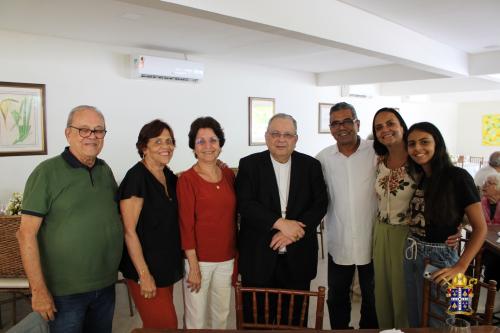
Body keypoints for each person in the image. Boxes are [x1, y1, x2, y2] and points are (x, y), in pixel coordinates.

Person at [17, 105, 123, 333]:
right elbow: (25, 234)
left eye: (98, 130)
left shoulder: (105, 170)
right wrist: (38, 290)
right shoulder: (46, 173)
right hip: (64, 292)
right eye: (84, 130)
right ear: (68, 133)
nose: (92, 136)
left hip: (105, 284)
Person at [236, 113, 328, 326]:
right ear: (266, 137)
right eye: (275, 134)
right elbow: (246, 203)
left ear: (296, 139)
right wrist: (280, 223)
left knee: (295, 321)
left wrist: (292, 233)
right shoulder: (249, 165)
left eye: (287, 134)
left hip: (299, 255)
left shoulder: (311, 165)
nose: (281, 139)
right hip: (258, 256)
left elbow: (320, 204)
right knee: (256, 320)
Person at [404, 122, 487, 328]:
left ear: (437, 144)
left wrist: (461, 266)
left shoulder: (458, 176)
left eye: (424, 142)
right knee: (417, 319)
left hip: (443, 259)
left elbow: (481, 228)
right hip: (413, 254)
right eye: (412, 143)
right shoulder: (422, 177)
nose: (417, 148)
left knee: (444, 321)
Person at [316, 102, 378, 329]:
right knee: (337, 298)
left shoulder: (375, 152)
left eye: (346, 121)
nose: (341, 127)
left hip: (371, 239)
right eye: (335, 123)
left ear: (357, 124)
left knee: (372, 299)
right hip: (339, 240)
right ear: (330, 128)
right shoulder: (323, 158)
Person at [118, 120, 183, 329]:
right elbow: (129, 232)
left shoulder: (167, 175)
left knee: (156, 325)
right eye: (158, 141)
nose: (166, 146)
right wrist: (144, 275)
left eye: (169, 141)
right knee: (166, 326)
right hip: (145, 269)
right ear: (144, 147)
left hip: (165, 266)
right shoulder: (136, 178)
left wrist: (213, 163)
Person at [177, 117, 237, 329]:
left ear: (220, 144)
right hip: (199, 261)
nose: (207, 146)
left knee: (222, 314)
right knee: (196, 320)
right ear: (193, 147)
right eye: (201, 141)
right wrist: (193, 266)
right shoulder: (187, 179)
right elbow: (186, 225)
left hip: (227, 257)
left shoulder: (229, 174)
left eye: (212, 140)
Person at [371, 107, 413, 329]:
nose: (385, 130)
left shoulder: (418, 159)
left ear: (402, 126)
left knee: (404, 294)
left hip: (408, 236)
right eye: (379, 127)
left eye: (390, 123)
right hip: (381, 232)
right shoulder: (380, 161)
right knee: (383, 293)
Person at [480, 173, 500, 289]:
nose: (484, 185)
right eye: (485, 182)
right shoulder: (481, 202)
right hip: (484, 244)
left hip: (496, 242)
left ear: (498, 187)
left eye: (489, 183)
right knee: (493, 259)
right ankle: (490, 288)